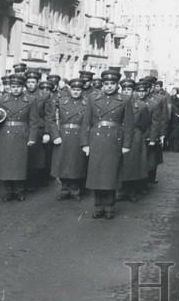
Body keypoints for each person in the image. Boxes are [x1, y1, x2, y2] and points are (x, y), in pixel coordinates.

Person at [82, 70, 134, 219]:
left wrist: (126, 144)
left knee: (110, 174)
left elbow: (129, 124)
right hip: (96, 140)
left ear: (117, 84)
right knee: (97, 174)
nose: (109, 87)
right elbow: (86, 122)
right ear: (102, 85)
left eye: (112, 84)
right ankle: (98, 206)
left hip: (114, 140)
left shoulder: (124, 99)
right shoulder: (93, 98)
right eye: (106, 84)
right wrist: (85, 143)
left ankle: (110, 206)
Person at [0, 74, 42, 202]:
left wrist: (32, 137)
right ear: (9, 87)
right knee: (6, 164)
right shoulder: (1, 100)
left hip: (22, 134)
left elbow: (33, 121)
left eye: (18, 87)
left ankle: (19, 190)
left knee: (19, 164)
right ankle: (8, 191)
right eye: (13, 87)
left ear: (22, 87)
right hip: (5, 134)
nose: (15, 89)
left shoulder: (30, 100)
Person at [49, 78, 88, 200]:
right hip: (63, 136)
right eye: (74, 89)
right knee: (62, 163)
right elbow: (51, 120)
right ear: (70, 89)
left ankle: (75, 189)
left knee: (76, 164)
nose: (76, 92)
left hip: (78, 136)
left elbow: (89, 123)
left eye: (78, 90)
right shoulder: (61, 102)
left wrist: (86, 140)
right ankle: (64, 189)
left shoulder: (87, 103)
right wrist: (55, 135)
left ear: (82, 91)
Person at [121, 79, 153, 202]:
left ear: (133, 91)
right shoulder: (118, 103)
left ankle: (132, 191)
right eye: (124, 89)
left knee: (134, 165)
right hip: (120, 136)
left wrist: (139, 136)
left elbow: (145, 123)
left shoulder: (141, 106)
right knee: (121, 164)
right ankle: (121, 190)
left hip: (135, 137)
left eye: (129, 90)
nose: (126, 92)